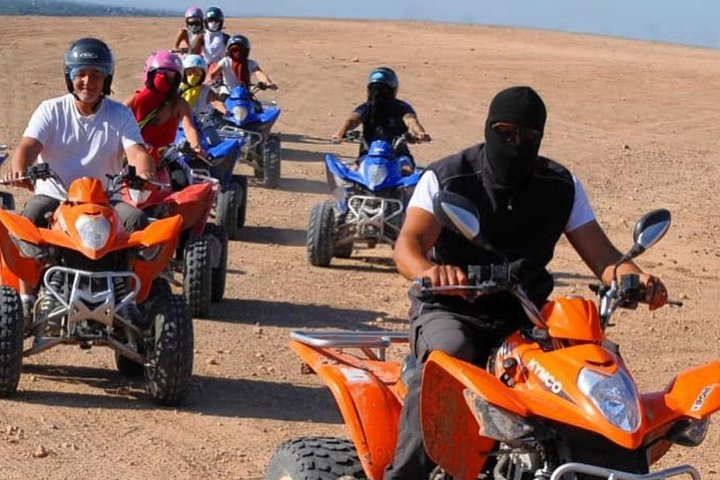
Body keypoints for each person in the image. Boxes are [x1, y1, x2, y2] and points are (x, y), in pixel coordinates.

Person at [385, 85, 669, 479]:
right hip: (453, 308)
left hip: (528, 317)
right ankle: (405, 475)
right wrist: (431, 273)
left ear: (540, 136)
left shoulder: (559, 184)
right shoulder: (448, 177)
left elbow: (604, 257)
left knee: (592, 370)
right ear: (489, 128)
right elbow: (408, 245)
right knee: (448, 359)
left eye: (528, 137)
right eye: (506, 133)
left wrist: (636, 278)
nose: (516, 143)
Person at [8, 37, 156, 319]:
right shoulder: (51, 109)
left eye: (96, 75)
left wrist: (144, 171)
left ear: (107, 79)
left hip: (105, 199)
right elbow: (28, 146)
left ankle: (129, 301)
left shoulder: (120, 114)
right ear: (70, 77)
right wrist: (20, 169)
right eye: (81, 74)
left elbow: (136, 151)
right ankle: (27, 298)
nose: (88, 81)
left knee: (136, 221)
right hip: (56, 195)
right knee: (30, 216)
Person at [333, 66, 431, 161]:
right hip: (368, 154)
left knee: (406, 169)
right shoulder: (366, 107)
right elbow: (353, 120)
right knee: (355, 170)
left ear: (392, 90)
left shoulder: (402, 107)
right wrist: (342, 132)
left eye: (383, 90)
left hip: (398, 155)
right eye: (374, 89)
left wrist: (420, 133)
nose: (378, 94)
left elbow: (411, 121)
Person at [124, 50, 204, 163]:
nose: (164, 77)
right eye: (160, 72)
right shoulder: (133, 101)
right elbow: (115, 127)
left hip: (164, 160)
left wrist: (196, 146)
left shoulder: (179, 104)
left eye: (170, 73)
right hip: (133, 159)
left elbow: (189, 127)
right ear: (150, 73)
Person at [208, 34, 278, 92]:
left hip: (245, 93)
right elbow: (213, 73)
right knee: (220, 107)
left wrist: (267, 83)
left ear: (246, 51)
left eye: (241, 50)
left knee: (256, 107)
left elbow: (259, 73)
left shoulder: (251, 63)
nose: (238, 53)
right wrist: (210, 80)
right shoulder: (225, 61)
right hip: (227, 93)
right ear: (229, 51)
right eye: (234, 50)